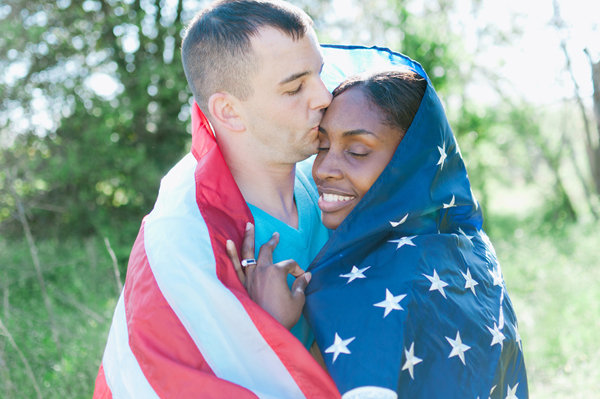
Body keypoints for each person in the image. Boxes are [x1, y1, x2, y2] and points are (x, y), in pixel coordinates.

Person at [231, 50, 528, 398]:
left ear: (411, 164)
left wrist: (272, 328)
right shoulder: (468, 246)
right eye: (323, 146)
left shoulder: (382, 291)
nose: (323, 169)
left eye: (357, 151)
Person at [92, 0, 340, 397]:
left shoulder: (337, 179)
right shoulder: (186, 240)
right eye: (294, 88)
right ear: (228, 111)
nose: (324, 97)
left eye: (319, 74)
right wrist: (262, 332)